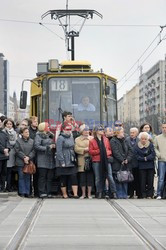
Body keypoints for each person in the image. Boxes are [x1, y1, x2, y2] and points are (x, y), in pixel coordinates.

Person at [89, 125, 117, 199]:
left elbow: (109, 149)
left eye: (102, 129)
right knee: (98, 177)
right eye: (100, 130)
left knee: (109, 176)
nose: (102, 131)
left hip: (106, 160)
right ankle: (100, 192)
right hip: (97, 160)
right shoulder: (92, 140)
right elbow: (91, 151)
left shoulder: (106, 139)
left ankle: (113, 192)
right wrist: (99, 151)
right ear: (96, 131)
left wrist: (106, 153)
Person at [56, 124, 78, 199]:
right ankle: (64, 194)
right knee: (63, 177)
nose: (68, 131)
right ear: (63, 130)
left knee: (73, 176)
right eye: (67, 130)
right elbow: (59, 151)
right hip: (64, 159)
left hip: (71, 159)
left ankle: (75, 194)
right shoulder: (60, 138)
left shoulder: (71, 137)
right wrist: (62, 161)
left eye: (69, 130)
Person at [34, 122, 56, 198]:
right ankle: (42, 191)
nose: (49, 127)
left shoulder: (50, 135)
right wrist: (47, 147)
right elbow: (37, 146)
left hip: (50, 159)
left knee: (49, 177)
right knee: (42, 176)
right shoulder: (38, 136)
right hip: (42, 159)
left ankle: (48, 191)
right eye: (47, 126)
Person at [110, 127, 133, 199]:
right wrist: (122, 160)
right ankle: (119, 194)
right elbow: (115, 152)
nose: (123, 133)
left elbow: (130, 150)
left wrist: (127, 159)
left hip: (126, 163)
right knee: (118, 179)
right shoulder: (113, 141)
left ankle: (125, 194)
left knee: (125, 178)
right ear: (117, 133)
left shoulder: (125, 140)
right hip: (117, 163)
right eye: (122, 131)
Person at [14, 127, 35, 197]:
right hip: (21, 162)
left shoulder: (32, 141)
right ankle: (22, 192)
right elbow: (17, 150)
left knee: (28, 177)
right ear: (22, 133)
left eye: (28, 132)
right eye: (26, 132)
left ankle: (27, 192)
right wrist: (24, 157)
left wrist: (29, 157)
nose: (27, 133)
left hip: (29, 162)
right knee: (21, 177)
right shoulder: (18, 141)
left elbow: (33, 151)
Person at [74, 124, 94, 199]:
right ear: (81, 132)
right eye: (84, 130)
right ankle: (83, 194)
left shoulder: (92, 138)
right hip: (81, 160)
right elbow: (76, 149)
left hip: (90, 159)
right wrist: (84, 150)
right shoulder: (77, 139)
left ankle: (89, 194)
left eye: (87, 130)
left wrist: (90, 150)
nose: (86, 132)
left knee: (90, 178)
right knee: (82, 178)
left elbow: (95, 147)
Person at [134, 132, 155, 199]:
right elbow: (136, 156)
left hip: (150, 165)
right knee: (142, 180)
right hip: (141, 166)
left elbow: (153, 154)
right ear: (140, 139)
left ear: (147, 139)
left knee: (150, 180)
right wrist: (144, 159)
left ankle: (150, 194)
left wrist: (145, 158)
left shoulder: (151, 145)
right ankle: (143, 194)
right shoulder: (137, 146)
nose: (143, 140)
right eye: (142, 139)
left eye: (145, 139)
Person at [125, 128, 140, 198]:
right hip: (129, 162)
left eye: (133, 132)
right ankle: (130, 193)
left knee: (137, 178)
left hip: (137, 162)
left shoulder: (139, 140)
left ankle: (138, 193)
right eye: (131, 132)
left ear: (136, 133)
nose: (131, 134)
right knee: (129, 178)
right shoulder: (126, 140)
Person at [3, 118, 17, 192]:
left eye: (10, 124)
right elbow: (5, 142)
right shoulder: (3, 132)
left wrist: (10, 143)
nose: (9, 125)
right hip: (4, 153)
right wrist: (10, 143)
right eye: (7, 124)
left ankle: (9, 186)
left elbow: (15, 141)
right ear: (5, 124)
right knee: (4, 171)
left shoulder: (14, 133)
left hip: (12, 154)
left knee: (10, 171)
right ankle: (3, 186)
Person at [154, 122, 166, 199]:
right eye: (163, 127)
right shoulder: (157, 138)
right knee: (161, 178)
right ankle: (159, 193)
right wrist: (159, 155)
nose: (164, 129)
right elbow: (154, 147)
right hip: (162, 160)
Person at [0, 117, 10, 192]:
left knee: (4, 173)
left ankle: (2, 187)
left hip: (4, 156)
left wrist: (8, 149)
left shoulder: (3, 133)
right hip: (1, 154)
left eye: (0, 122)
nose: (0, 123)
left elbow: (8, 142)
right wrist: (3, 149)